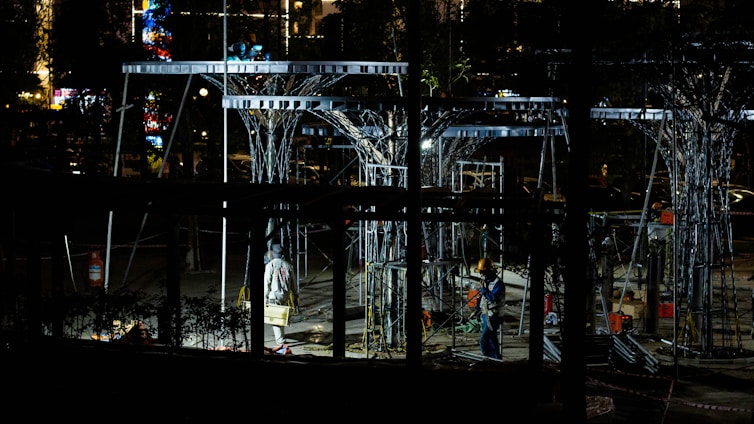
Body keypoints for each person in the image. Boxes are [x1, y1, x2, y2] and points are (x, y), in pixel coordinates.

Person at [263, 244, 298, 349]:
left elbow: (267, 283)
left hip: (274, 295)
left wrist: (265, 298)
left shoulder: (270, 265)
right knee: (281, 317)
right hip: (285, 295)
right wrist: (295, 296)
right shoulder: (287, 265)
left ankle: (280, 342)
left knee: (276, 320)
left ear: (273, 254)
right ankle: (282, 338)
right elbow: (293, 282)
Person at [474, 257, 506, 359]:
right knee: (491, 338)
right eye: (480, 272)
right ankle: (496, 359)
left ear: (489, 271)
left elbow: (492, 298)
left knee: (484, 339)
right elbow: (483, 298)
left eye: (482, 272)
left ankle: (487, 359)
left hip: (495, 315)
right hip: (486, 314)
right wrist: (477, 309)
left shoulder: (498, 283)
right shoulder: (485, 281)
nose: (481, 275)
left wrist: (483, 289)